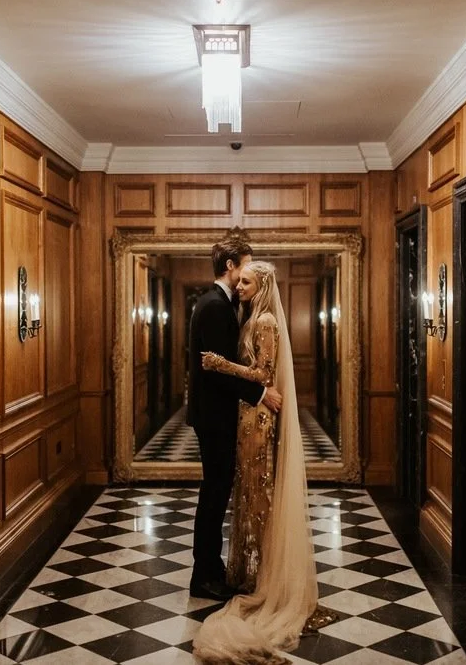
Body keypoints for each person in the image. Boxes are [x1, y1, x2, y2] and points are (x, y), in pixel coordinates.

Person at [193, 261, 337, 664]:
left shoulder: (267, 321)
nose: (239, 286)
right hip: (244, 417)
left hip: (257, 419)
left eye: (247, 282)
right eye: (239, 280)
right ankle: (248, 573)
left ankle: (264, 577)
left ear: (262, 286)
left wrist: (221, 363)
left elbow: (263, 373)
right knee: (246, 493)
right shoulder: (250, 317)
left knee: (259, 494)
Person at [187, 239, 283, 602]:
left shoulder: (221, 303)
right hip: (214, 416)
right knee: (214, 495)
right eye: (245, 265)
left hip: (217, 414)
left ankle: (211, 570)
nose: (246, 272)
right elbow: (215, 372)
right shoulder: (214, 305)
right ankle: (204, 576)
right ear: (230, 265)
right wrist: (260, 394)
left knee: (216, 492)